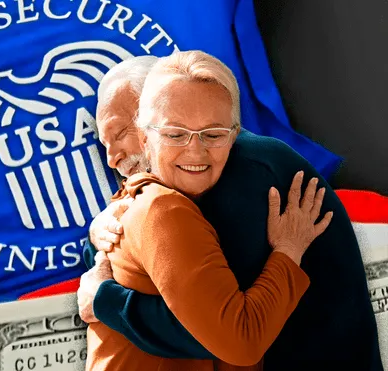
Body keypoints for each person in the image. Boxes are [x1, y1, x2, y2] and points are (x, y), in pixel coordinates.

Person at [79, 54, 383, 371]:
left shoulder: (245, 173)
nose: (112, 159)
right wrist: (97, 232)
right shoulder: (178, 186)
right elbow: (126, 257)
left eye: (117, 134)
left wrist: (105, 301)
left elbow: (225, 333)